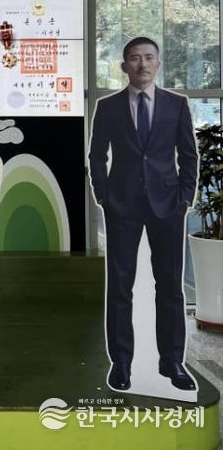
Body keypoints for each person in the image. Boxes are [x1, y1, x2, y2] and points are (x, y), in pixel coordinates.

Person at [88, 36, 198, 392]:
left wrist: (184, 199)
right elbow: (96, 156)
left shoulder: (177, 104)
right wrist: (104, 196)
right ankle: (121, 363)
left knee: (170, 286)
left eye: (149, 57)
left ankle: (173, 361)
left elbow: (189, 155)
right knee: (120, 287)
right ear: (124, 66)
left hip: (169, 205)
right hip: (122, 205)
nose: (143, 64)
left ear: (159, 63)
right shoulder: (108, 107)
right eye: (135, 58)